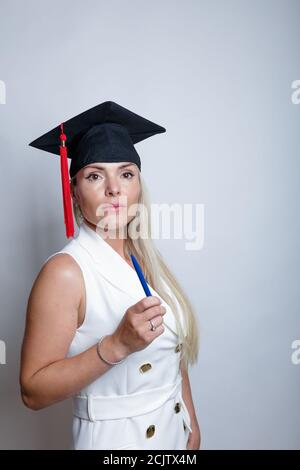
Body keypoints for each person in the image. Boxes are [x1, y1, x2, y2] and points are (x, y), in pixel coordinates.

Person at [20, 101, 201, 450]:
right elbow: (32, 391)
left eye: (126, 173)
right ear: (73, 192)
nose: (114, 188)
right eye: (94, 175)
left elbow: (173, 355)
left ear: (138, 185)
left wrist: (191, 426)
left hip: (174, 435)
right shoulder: (65, 272)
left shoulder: (145, 258)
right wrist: (117, 345)